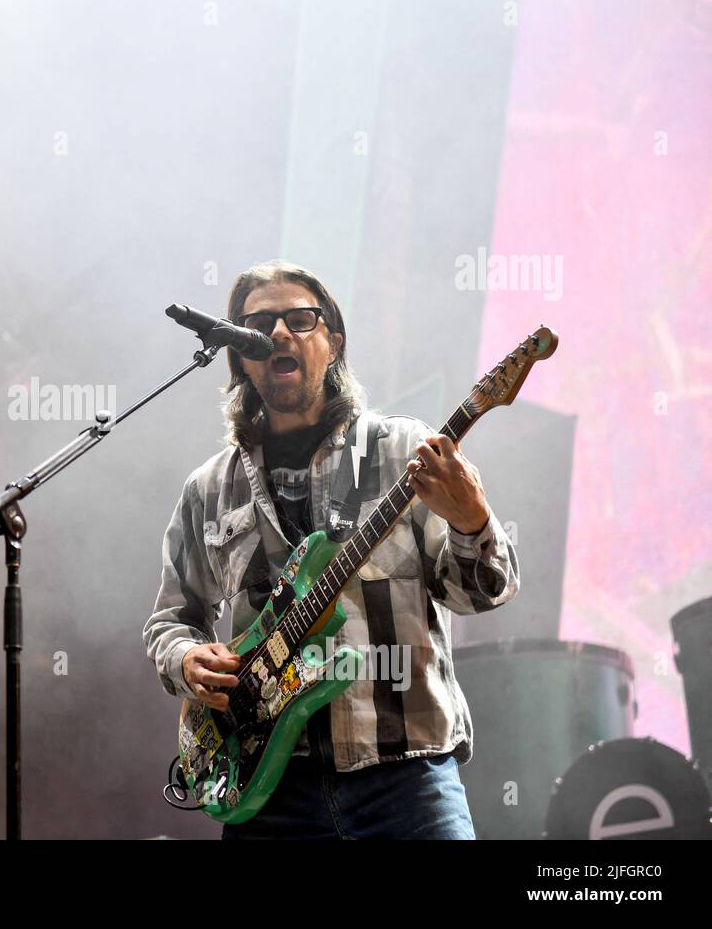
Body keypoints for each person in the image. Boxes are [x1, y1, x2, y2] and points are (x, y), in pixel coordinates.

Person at [143, 260, 520, 839]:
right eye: (258, 323)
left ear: (333, 341)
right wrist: (186, 660)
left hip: (405, 775)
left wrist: (471, 519)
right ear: (238, 352)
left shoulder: (406, 453)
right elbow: (173, 618)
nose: (278, 334)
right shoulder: (210, 488)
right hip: (265, 785)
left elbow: (478, 595)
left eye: (300, 319)